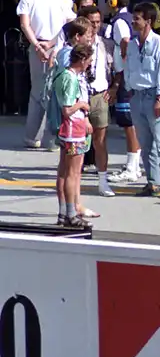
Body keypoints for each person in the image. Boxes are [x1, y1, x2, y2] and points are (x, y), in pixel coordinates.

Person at [17, 0, 76, 150]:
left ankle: (32, 137)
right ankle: (53, 138)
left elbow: (25, 24)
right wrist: (50, 45)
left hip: (37, 46)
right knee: (57, 92)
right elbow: (69, 25)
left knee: (37, 92)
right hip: (58, 47)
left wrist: (37, 45)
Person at [125, 2, 160, 199]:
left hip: (154, 95)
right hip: (137, 96)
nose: (133, 21)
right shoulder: (132, 44)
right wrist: (129, 89)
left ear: (148, 21)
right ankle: (152, 183)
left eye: (137, 18)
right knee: (146, 144)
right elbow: (128, 68)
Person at [106, 0, 148, 184]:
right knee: (130, 122)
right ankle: (135, 164)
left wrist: (121, 74)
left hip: (124, 77)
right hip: (128, 75)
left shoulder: (119, 22)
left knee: (128, 123)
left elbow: (124, 42)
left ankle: (132, 167)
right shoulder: (129, 19)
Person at [54, 42, 94, 227]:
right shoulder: (71, 78)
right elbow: (68, 109)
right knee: (72, 173)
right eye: (89, 60)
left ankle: (63, 212)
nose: (89, 64)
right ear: (83, 59)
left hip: (65, 130)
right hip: (73, 128)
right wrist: (82, 105)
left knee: (63, 172)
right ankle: (71, 213)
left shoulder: (62, 74)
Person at [80, 5, 116, 197]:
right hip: (81, 95)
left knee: (100, 141)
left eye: (97, 22)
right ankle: (74, 178)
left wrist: (114, 88)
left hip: (100, 94)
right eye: (91, 22)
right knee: (77, 141)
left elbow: (118, 69)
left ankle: (103, 180)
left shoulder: (106, 44)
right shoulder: (77, 45)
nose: (95, 26)